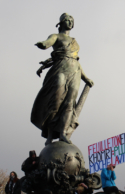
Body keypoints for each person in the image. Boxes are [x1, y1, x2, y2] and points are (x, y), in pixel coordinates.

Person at [32, 13, 94, 145]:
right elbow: (48, 43)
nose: (70, 21)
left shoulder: (74, 42)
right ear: (60, 22)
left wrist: (86, 78)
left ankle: (63, 134)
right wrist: (43, 44)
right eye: (67, 19)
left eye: (72, 20)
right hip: (59, 70)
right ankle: (49, 136)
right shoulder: (56, 36)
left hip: (75, 72)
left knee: (70, 103)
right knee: (55, 102)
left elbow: (76, 61)